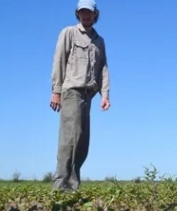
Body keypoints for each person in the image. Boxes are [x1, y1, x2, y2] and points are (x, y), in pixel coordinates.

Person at [49, 0, 110, 191]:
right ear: (78, 14)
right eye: (82, 12)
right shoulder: (69, 33)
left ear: (95, 14)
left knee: (82, 141)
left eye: (89, 12)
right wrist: (56, 91)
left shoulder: (99, 41)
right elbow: (59, 60)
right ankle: (60, 186)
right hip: (71, 92)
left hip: (88, 96)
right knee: (69, 139)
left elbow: (103, 69)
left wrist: (105, 94)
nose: (86, 15)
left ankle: (73, 186)